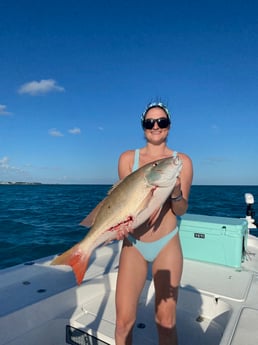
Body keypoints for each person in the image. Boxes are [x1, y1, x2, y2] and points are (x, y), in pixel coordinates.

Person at [115, 101, 193, 345]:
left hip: (166, 244)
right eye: (150, 122)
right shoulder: (128, 159)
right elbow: (127, 205)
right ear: (143, 126)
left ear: (169, 126)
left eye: (162, 121)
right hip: (133, 244)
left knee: (166, 322)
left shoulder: (182, 162)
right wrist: (119, 225)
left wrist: (176, 192)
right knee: (122, 323)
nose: (156, 126)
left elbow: (181, 209)